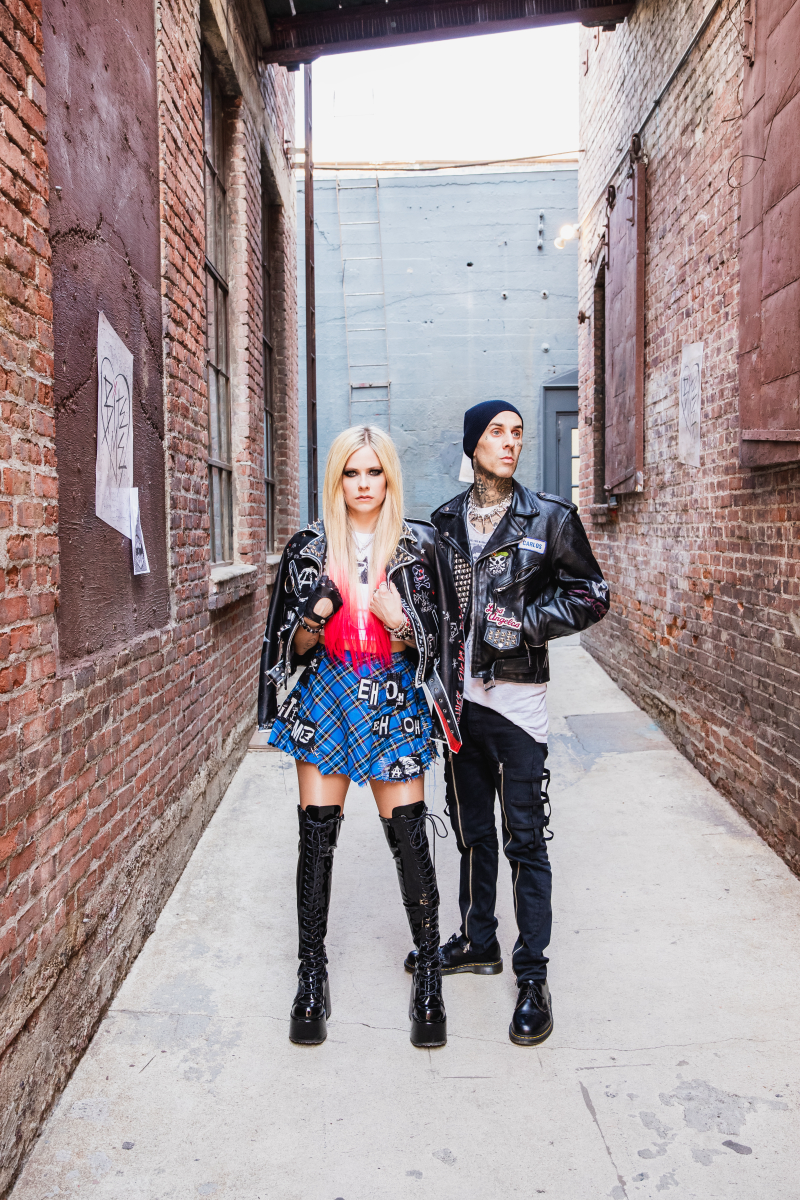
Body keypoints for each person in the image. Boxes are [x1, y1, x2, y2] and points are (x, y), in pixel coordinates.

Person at [404, 401, 610, 1046]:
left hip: (517, 702)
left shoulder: (549, 517)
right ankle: (478, 939)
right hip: (457, 705)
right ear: (472, 446)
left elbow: (590, 594)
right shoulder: (441, 524)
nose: (510, 442)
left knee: (525, 838)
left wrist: (524, 621)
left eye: (518, 432)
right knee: (471, 833)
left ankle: (531, 975)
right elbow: (430, 607)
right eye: (497, 432)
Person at [257, 425, 462, 1049]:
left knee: (410, 841)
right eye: (352, 473)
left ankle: (429, 973)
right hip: (326, 694)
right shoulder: (310, 547)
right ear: (337, 479)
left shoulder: (421, 545)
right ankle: (310, 977)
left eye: (374, 473)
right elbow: (288, 648)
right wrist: (315, 615)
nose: (364, 484)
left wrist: (401, 624)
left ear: (390, 478)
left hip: (394, 698)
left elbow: (446, 639)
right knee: (316, 841)